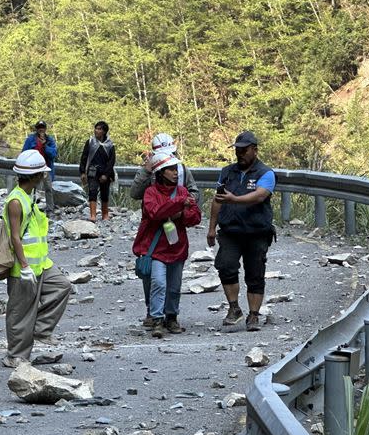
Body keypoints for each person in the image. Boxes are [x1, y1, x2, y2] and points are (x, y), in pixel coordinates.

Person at [3, 149, 71, 368]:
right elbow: (15, 236)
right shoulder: (16, 201)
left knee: (62, 286)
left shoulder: (28, 196)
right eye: (42, 173)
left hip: (41, 263)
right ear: (34, 176)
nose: (44, 177)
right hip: (23, 266)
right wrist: (23, 266)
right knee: (20, 311)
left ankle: (41, 329)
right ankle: (16, 356)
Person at [207, 131, 276, 332]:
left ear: (254, 150)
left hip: (257, 232)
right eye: (238, 150)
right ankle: (234, 308)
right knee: (225, 265)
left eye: (244, 150)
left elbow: (259, 196)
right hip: (230, 230)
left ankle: (254, 315)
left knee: (255, 273)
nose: (240, 154)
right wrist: (212, 228)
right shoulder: (227, 172)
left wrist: (234, 199)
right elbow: (217, 199)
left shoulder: (266, 173)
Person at [130, 132, 200, 329]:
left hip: (174, 228)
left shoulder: (182, 170)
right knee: (153, 278)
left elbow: (194, 196)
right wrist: (146, 171)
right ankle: (153, 313)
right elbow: (136, 194)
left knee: (173, 283)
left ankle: (169, 315)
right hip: (154, 229)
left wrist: (181, 209)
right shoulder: (149, 176)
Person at [79, 121, 116, 221]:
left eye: (99, 129)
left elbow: (111, 161)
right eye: (96, 128)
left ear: (104, 131)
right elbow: (84, 157)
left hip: (105, 172)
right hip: (92, 171)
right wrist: (82, 172)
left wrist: (106, 174)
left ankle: (105, 214)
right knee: (92, 191)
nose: (97, 131)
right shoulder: (90, 142)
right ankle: (93, 215)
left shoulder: (110, 145)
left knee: (105, 193)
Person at [22, 120, 58, 212]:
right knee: (31, 187)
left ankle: (50, 208)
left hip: (46, 168)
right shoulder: (30, 139)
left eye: (42, 128)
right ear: (36, 129)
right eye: (39, 128)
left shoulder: (49, 140)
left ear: (45, 129)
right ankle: (30, 205)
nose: (41, 129)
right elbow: (24, 152)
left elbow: (53, 154)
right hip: (33, 168)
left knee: (48, 188)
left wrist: (45, 146)